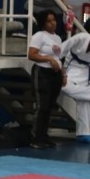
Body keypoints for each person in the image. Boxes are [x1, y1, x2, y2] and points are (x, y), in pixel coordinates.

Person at [60, 32, 90, 143]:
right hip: (71, 68)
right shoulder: (80, 38)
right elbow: (61, 50)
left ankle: (83, 133)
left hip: (87, 72)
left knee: (84, 102)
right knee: (66, 88)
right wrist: (62, 72)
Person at [28, 10, 63, 149]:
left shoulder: (58, 38)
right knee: (42, 106)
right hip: (42, 73)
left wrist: (63, 73)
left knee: (49, 106)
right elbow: (31, 54)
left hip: (55, 74)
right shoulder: (39, 36)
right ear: (43, 23)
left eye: (54, 20)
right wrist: (48, 59)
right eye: (49, 21)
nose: (52, 23)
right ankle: (35, 137)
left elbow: (59, 58)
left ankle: (44, 136)